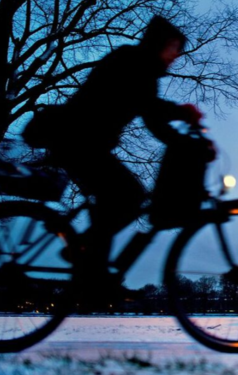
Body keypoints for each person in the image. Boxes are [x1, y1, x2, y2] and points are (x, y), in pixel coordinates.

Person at [22, 16, 211, 300]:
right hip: (78, 139)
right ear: (162, 43)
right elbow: (150, 110)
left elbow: (153, 120)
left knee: (117, 201)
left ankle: (88, 261)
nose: (176, 56)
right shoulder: (135, 63)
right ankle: (86, 259)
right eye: (175, 48)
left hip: (83, 141)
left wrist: (182, 138)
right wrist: (184, 117)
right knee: (130, 196)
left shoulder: (139, 65)